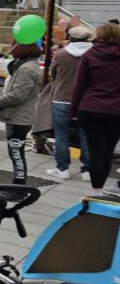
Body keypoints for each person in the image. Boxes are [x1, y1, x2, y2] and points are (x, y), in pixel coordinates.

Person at [72, 23, 120, 198]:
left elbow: (79, 85)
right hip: (116, 111)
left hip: (90, 107)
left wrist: (74, 110)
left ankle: (97, 190)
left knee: (95, 149)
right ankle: (103, 185)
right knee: (108, 150)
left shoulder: (89, 55)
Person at [46, 27, 92, 180]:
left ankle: (62, 168)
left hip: (62, 98)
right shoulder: (93, 54)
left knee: (62, 134)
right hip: (86, 100)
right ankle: (87, 170)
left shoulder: (60, 54)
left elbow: (53, 74)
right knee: (85, 135)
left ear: (70, 38)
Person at [0, 43, 42, 184]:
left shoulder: (27, 68)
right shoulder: (26, 65)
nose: (10, 48)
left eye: (13, 46)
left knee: (16, 154)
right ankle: (19, 185)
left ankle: (19, 187)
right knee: (15, 153)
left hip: (19, 117)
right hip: (19, 116)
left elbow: (18, 95)